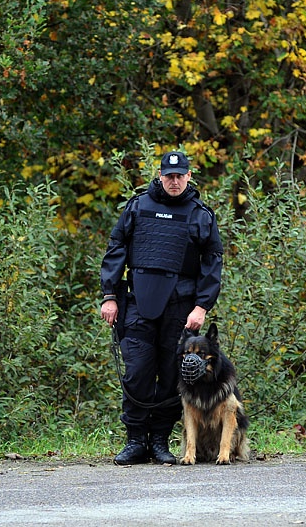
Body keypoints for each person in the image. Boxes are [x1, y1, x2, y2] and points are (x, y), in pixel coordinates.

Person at [100, 151, 223, 465]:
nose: (174, 181)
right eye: (169, 175)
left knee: (172, 376)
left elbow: (212, 264)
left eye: (180, 175)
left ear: (189, 176)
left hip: (181, 309)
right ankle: (135, 441)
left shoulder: (200, 215)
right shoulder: (138, 207)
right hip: (139, 304)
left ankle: (159, 441)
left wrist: (201, 307)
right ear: (159, 176)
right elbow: (116, 249)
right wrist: (110, 295)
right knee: (138, 372)